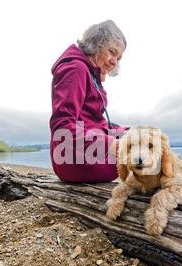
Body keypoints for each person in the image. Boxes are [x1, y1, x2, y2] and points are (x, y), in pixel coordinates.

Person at [49, 20, 128, 183]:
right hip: (72, 159)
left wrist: (125, 132)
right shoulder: (76, 69)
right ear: (96, 44)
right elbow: (62, 127)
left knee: (143, 140)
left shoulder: (89, 72)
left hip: (81, 154)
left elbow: (93, 123)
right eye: (112, 52)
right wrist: (110, 144)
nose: (114, 61)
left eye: (118, 58)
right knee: (142, 157)